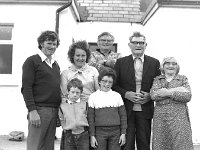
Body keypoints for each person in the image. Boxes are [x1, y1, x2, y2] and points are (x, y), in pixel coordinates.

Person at [112, 31, 161, 150]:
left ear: (146, 45)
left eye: (141, 43)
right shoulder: (120, 62)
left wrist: (150, 95)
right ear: (129, 45)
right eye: (135, 42)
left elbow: (159, 85)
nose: (138, 45)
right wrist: (126, 94)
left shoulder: (154, 63)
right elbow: (114, 85)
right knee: (126, 145)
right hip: (126, 110)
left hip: (145, 110)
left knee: (144, 144)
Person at [21, 30, 61, 150]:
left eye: (54, 44)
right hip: (39, 110)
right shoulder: (32, 61)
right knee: (35, 146)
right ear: (41, 44)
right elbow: (26, 88)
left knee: (48, 147)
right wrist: (32, 111)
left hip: (54, 111)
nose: (52, 46)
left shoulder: (55, 64)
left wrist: (58, 111)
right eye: (49, 43)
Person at [150, 57, 193, 150]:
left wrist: (167, 92)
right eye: (167, 63)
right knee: (161, 143)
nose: (171, 66)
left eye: (174, 63)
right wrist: (177, 90)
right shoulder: (158, 79)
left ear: (177, 66)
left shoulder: (182, 79)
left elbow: (187, 96)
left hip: (179, 118)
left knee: (181, 144)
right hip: (161, 118)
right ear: (163, 66)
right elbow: (154, 95)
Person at [88, 68, 127, 150]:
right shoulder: (93, 97)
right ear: (99, 81)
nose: (107, 84)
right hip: (99, 132)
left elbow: (123, 116)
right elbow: (90, 118)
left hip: (116, 132)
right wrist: (92, 136)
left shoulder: (117, 96)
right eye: (104, 81)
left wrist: (123, 133)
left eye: (110, 82)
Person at [59, 78, 89, 150]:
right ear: (68, 92)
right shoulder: (62, 106)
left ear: (81, 92)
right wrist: (66, 128)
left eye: (77, 92)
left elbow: (88, 117)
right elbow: (62, 119)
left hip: (83, 135)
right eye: (72, 92)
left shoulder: (85, 104)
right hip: (69, 135)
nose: (75, 95)